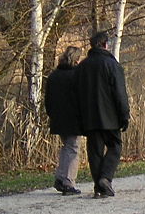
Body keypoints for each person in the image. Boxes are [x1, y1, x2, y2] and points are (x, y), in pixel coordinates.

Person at [75, 31, 130, 198]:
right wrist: (124, 115)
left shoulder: (82, 67)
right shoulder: (112, 65)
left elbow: (76, 93)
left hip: (89, 118)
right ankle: (105, 178)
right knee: (115, 146)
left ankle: (99, 186)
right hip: (110, 117)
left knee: (95, 151)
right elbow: (120, 93)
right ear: (106, 45)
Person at [44, 46, 84, 195]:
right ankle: (68, 181)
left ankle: (61, 177)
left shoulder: (54, 75)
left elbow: (48, 99)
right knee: (73, 147)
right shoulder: (76, 75)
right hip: (72, 118)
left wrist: (52, 114)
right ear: (76, 59)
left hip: (58, 118)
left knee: (66, 146)